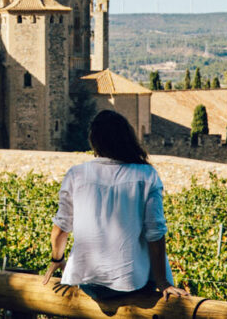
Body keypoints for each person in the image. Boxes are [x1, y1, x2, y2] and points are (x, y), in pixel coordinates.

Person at [42, 110, 189, 301]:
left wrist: (56, 259)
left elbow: (61, 229)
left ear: (94, 141)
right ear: (127, 139)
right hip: (131, 283)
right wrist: (163, 282)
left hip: (88, 281)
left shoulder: (76, 174)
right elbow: (155, 233)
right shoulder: (146, 175)